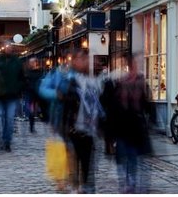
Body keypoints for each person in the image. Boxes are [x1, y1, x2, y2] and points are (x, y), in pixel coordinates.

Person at [101, 57, 154, 193]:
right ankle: (127, 183)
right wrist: (109, 133)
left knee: (132, 156)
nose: (135, 69)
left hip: (135, 127)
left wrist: (150, 118)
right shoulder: (120, 85)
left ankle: (131, 182)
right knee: (124, 157)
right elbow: (112, 108)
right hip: (122, 127)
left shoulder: (140, 84)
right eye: (133, 66)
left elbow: (148, 104)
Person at [60, 50, 102, 193]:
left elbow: (99, 106)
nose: (85, 62)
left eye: (86, 59)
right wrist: (64, 128)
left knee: (87, 164)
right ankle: (77, 188)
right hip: (74, 129)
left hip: (89, 131)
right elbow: (65, 105)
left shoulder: (92, 81)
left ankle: (85, 188)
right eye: (81, 59)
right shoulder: (68, 79)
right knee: (75, 165)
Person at [0, 50, 24, 151]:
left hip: (12, 95)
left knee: (9, 119)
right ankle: (1, 138)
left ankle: (7, 141)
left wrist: (18, 88)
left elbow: (21, 78)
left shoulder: (16, 62)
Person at [23, 57, 45, 132]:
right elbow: (25, 82)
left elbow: (42, 81)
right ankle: (31, 126)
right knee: (31, 110)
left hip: (37, 93)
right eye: (31, 62)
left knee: (36, 110)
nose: (32, 64)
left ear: (36, 63)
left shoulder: (39, 71)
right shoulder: (27, 72)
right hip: (30, 93)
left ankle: (34, 122)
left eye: (33, 62)